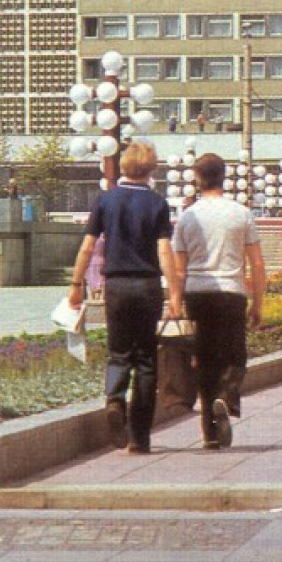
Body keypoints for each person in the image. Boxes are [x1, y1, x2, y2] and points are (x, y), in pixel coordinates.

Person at [66, 141, 180, 455]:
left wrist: (77, 284)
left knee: (118, 353)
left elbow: (88, 246)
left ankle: (114, 399)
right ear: (152, 169)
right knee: (145, 360)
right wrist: (174, 293)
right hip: (146, 287)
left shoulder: (106, 200)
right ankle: (140, 437)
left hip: (115, 285)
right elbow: (164, 251)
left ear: (124, 167)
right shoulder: (157, 203)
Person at [170, 152, 266, 450]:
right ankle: (226, 395)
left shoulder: (188, 217)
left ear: (197, 179)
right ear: (224, 176)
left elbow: (178, 268)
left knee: (205, 361)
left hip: (197, 294)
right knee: (235, 356)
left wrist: (175, 301)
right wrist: (258, 302)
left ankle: (209, 434)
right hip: (231, 292)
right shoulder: (241, 213)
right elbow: (257, 264)